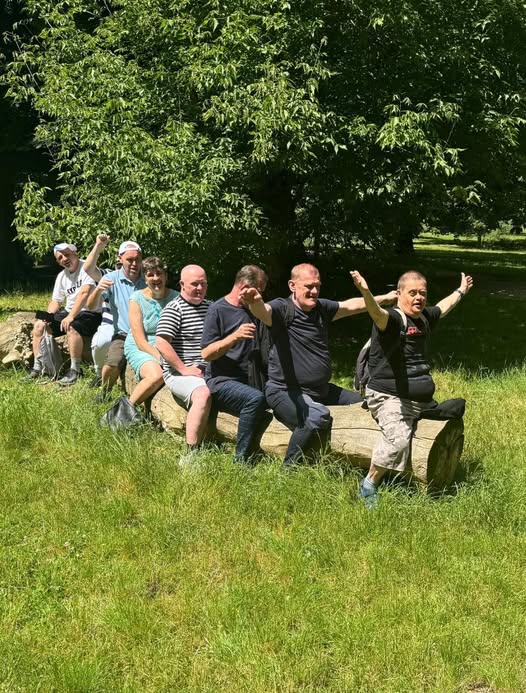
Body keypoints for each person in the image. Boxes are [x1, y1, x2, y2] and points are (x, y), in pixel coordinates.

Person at [242, 263, 397, 465]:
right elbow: (264, 312)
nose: (314, 291)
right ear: (292, 285)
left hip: (321, 390)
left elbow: (351, 306)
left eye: (317, 286)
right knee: (315, 417)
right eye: (308, 286)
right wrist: (255, 302)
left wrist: (385, 298)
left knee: (363, 404)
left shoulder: (321, 308)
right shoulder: (282, 308)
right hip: (285, 391)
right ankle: (290, 468)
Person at [350, 269, 474, 507]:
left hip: (422, 400)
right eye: (413, 293)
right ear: (399, 294)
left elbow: (442, 308)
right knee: (397, 440)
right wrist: (365, 292)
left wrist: (461, 291)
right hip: (389, 397)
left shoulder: (423, 317)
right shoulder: (393, 319)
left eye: (423, 293)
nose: (419, 298)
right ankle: (369, 484)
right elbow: (377, 314)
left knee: (455, 410)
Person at [201, 265, 273, 463]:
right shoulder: (218, 309)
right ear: (243, 286)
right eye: (257, 290)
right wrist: (234, 337)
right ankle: (241, 460)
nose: (259, 296)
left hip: (252, 379)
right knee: (254, 399)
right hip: (222, 381)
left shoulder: (254, 310)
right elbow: (206, 353)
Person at [22, 242, 101, 385]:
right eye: (60, 258)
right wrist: (48, 316)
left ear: (75, 254)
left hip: (90, 312)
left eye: (66, 254)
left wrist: (70, 316)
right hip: (69, 312)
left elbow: (84, 294)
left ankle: (75, 370)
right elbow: (56, 301)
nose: (64, 259)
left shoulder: (87, 268)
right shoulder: (61, 276)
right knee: (39, 326)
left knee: (72, 326)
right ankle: (38, 367)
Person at [156, 265, 212, 453]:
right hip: (179, 373)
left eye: (203, 284)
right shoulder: (174, 309)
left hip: (208, 369)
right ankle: (191, 452)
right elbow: (161, 342)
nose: (200, 288)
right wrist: (183, 369)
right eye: (195, 284)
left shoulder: (211, 307)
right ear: (182, 284)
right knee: (202, 394)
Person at [83, 235, 145, 401]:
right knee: (112, 363)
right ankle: (105, 393)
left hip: (147, 334)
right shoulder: (111, 278)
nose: (134, 264)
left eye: (137, 259)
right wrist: (97, 290)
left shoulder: (148, 278)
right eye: (129, 260)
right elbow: (90, 306)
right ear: (120, 258)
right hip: (124, 334)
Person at [124, 257, 179, 409]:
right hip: (142, 346)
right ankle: (124, 411)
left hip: (168, 345)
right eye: (150, 275)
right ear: (145, 278)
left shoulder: (176, 298)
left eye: (159, 273)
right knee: (157, 375)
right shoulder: (136, 299)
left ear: (165, 276)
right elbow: (140, 341)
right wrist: (163, 359)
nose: (155, 278)